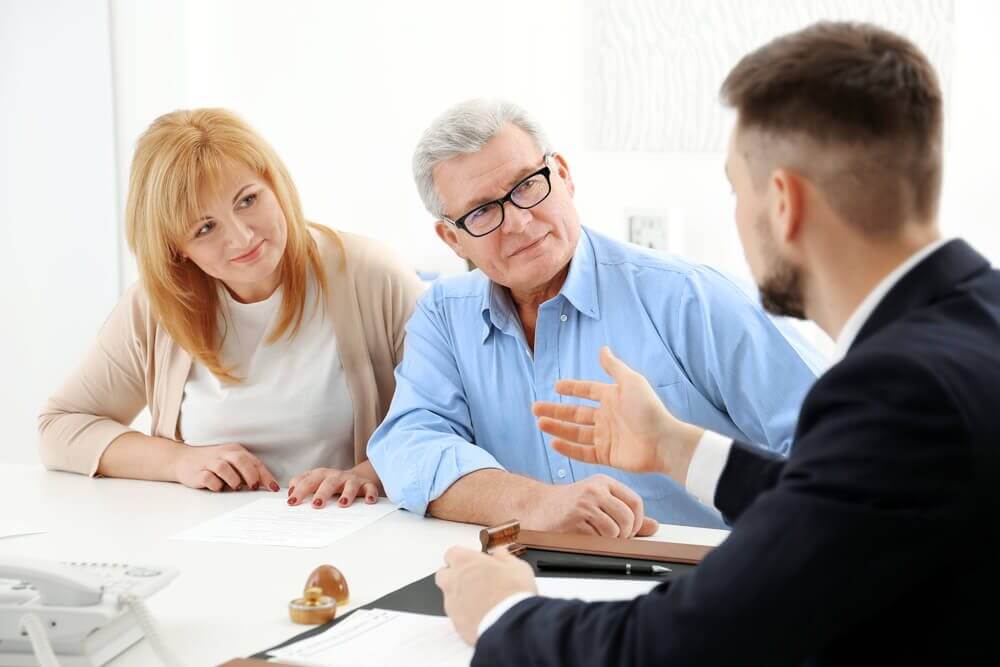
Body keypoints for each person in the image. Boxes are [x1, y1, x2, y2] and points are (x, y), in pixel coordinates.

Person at [434, 22, 1000, 664]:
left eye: (735, 188)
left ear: (783, 203)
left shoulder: (898, 391)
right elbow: (848, 498)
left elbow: (683, 646)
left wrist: (503, 610)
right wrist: (677, 448)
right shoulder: (977, 320)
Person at [367, 98, 822, 533]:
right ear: (452, 239)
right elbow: (409, 445)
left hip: (707, 584)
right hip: (533, 581)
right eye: (483, 211)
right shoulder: (444, 314)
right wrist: (535, 504)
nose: (520, 222)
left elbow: (845, 450)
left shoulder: (689, 297)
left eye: (527, 185)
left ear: (562, 175)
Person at [38, 108, 424, 508]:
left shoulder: (371, 276)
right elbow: (59, 428)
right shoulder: (157, 307)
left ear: (274, 184)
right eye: (204, 228)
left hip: (350, 543)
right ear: (177, 250)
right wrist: (177, 461)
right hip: (211, 547)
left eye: (247, 200)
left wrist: (367, 475)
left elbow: (457, 419)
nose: (242, 237)